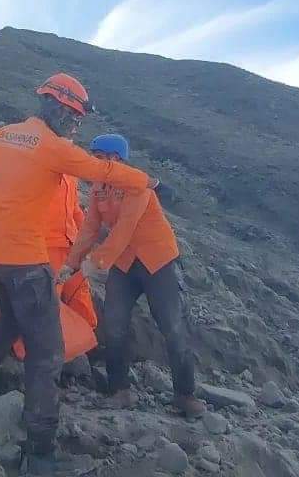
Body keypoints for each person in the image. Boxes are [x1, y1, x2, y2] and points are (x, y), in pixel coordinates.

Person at [0, 73, 163, 474]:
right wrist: (148, 181)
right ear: (60, 108)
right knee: (46, 354)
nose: (75, 126)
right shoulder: (52, 148)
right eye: (74, 118)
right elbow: (103, 171)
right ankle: (41, 452)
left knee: (9, 322)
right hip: (27, 264)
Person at [60, 133, 206, 418]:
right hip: (125, 265)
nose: (93, 162)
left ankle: (185, 394)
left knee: (172, 326)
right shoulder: (98, 188)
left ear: (115, 160)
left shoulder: (137, 185)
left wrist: (96, 262)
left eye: (98, 157)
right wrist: (72, 262)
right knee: (114, 325)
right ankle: (120, 390)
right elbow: (90, 229)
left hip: (156, 261)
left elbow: (124, 230)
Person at [46, 174, 97, 329]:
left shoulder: (69, 176)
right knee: (49, 299)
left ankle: (87, 338)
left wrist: (87, 240)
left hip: (73, 247)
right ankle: (39, 349)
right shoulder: (38, 173)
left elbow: (74, 210)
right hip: (49, 248)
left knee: (79, 292)